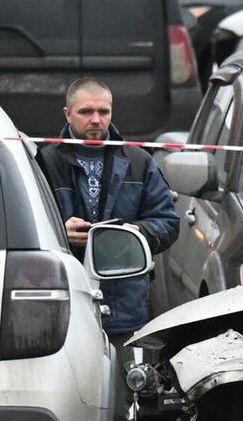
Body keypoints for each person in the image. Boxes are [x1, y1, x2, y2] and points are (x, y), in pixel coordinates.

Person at [37, 78, 181, 339]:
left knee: (125, 367)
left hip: (125, 306)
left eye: (103, 111)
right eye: (86, 112)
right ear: (68, 114)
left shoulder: (139, 162)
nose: (96, 120)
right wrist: (58, 232)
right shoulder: (43, 162)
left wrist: (136, 233)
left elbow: (168, 223)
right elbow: (19, 225)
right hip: (62, 301)